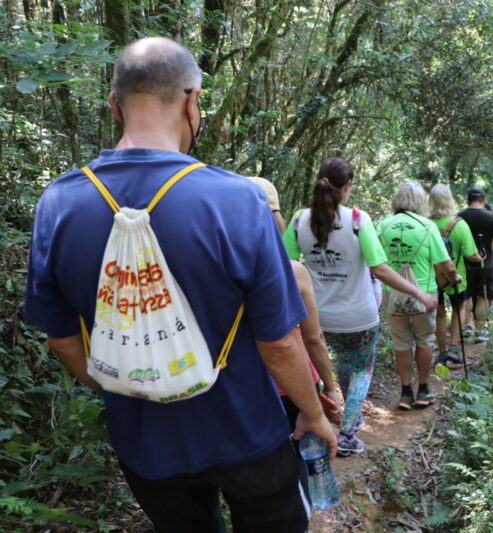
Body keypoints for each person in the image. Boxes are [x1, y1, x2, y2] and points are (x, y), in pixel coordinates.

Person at [24, 37, 334, 532]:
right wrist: (314, 415)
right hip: (248, 436)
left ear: (114, 104)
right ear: (193, 102)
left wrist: (138, 382)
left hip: (146, 445)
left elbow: (62, 340)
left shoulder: (59, 204)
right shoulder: (236, 200)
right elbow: (278, 343)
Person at [284, 157, 436, 455]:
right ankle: (346, 434)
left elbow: (284, 265)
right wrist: (419, 293)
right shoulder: (357, 220)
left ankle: (333, 422)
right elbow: (380, 269)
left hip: (317, 318)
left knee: (342, 366)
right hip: (359, 316)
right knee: (361, 371)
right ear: (347, 187)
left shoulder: (299, 221)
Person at [376, 182, 458, 410]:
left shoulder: (382, 226)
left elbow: (375, 262)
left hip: (392, 293)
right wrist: (454, 278)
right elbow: (446, 264)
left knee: (401, 343)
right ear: (420, 201)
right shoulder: (428, 226)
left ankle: (405, 393)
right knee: (424, 340)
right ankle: (423, 389)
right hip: (424, 293)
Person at [278, 261, 343, 432]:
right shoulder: (292, 271)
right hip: (296, 380)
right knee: (305, 448)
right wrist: (330, 389)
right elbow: (313, 338)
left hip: (239, 386)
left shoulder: (210, 270)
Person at [428, 184, 482, 366]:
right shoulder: (459, 225)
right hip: (456, 277)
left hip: (432, 278)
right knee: (459, 309)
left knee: (439, 313)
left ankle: (442, 352)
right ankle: (453, 348)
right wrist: (481, 257)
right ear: (449, 200)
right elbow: (471, 255)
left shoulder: (425, 224)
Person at [458, 187, 493, 343]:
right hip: (486, 265)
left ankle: (466, 326)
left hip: (464, 265)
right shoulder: (491, 218)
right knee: (482, 297)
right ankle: (480, 331)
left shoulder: (459, 217)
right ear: (483, 200)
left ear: (468, 200)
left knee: (466, 297)